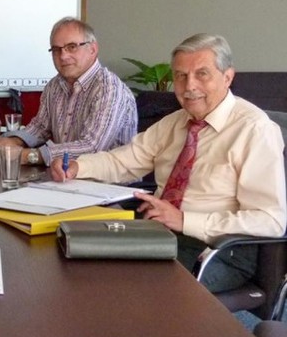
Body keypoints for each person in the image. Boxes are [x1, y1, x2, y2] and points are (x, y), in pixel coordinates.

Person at [51, 33, 287, 292]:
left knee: (122, 284)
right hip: (157, 233)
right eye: (181, 76)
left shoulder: (255, 130)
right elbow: (123, 161)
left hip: (216, 251)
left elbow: (270, 220)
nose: (189, 86)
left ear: (227, 77)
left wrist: (184, 220)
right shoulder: (174, 123)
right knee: (75, 257)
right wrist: (78, 167)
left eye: (202, 74)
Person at [0, 17, 137, 166]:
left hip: (107, 179)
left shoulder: (109, 88)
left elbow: (92, 147)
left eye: (72, 47)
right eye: (56, 50)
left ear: (92, 49)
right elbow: (40, 127)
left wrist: (28, 155)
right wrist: (15, 141)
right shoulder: (54, 85)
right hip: (66, 175)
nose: (63, 56)